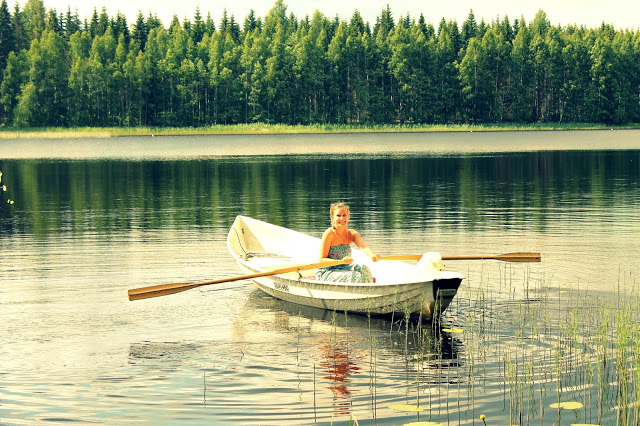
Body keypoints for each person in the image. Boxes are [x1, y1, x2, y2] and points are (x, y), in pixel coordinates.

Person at [316, 202, 381, 283]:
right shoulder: (329, 234)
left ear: (348, 216)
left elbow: (363, 246)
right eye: (338, 215)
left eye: (344, 215)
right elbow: (322, 259)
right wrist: (341, 261)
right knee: (354, 275)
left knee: (364, 270)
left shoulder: (352, 234)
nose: (342, 218)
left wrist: (372, 255)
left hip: (344, 268)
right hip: (328, 270)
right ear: (332, 217)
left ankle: (367, 290)